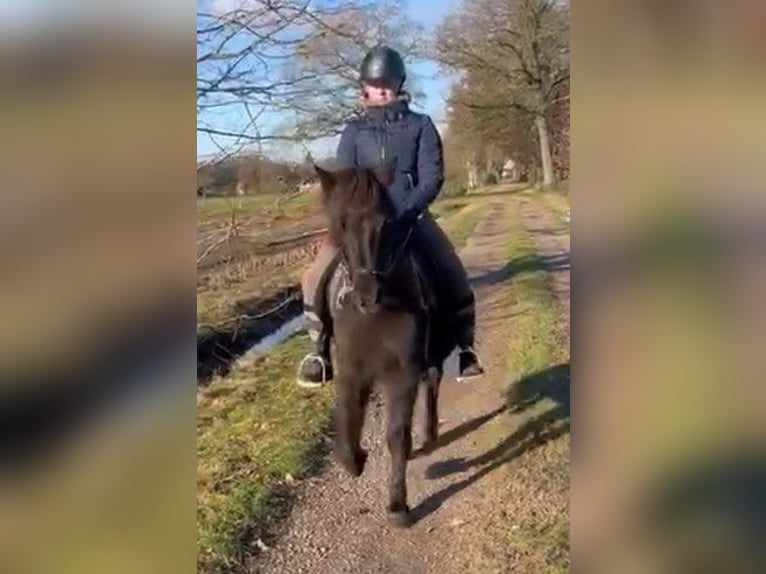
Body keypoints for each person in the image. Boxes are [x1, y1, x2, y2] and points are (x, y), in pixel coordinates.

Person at [296, 45, 483, 388]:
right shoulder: (354, 132)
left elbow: (431, 176)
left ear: (398, 86)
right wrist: (350, 216)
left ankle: (462, 347)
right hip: (362, 225)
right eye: (375, 84)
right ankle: (318, 351)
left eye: (388, 83)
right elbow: (346, 180)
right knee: (315, 274)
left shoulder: (421, 126)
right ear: (365, 87)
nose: (382, 90)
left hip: (409, 217)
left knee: (450, 266)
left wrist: (409, 211)